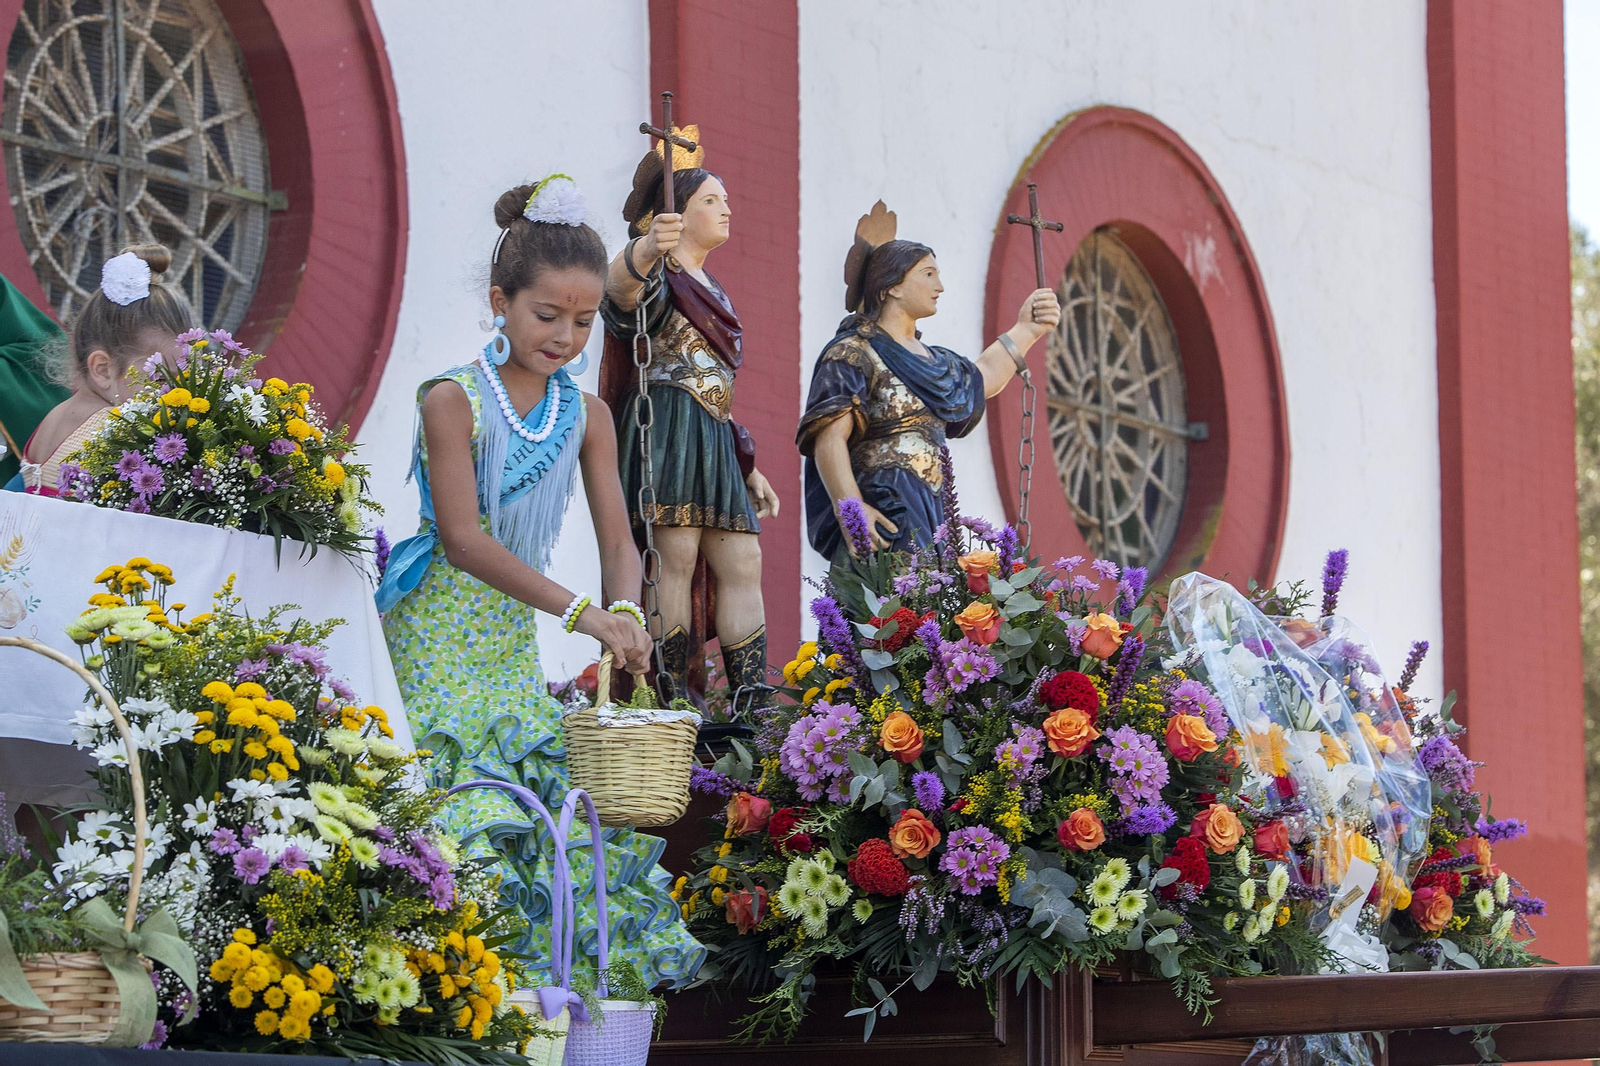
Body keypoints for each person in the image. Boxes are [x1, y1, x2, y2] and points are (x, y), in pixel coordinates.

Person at [375, 175, 703, 988]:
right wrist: (585, 615)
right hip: (433, 635)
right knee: (464, 823)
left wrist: (625, 615)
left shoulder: (587, 414)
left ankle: (530, 1016)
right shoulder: (452, 400)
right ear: (500, 301)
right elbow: (459, 540)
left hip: (508, 648)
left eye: (585, 322)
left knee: (551, 837)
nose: (565, 336)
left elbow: (620, 540)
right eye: (545, 316)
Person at [600, 131, 778, 710]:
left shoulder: (713, 286)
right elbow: (618, 295)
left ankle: (750, 694)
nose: (725, 209)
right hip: (669, 420)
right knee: (672, 558)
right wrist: (645, 250)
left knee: (742, 558)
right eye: (710, 200)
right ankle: (670, 690)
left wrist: (744, 461)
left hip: (712, 431)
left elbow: (718, 379)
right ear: (671, 215)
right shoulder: (657, 271)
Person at [798, 202, 1062, 560]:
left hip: (933, 501)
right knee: (887, 605)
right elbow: (829, 437)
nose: (940, 286)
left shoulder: (936, 360)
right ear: (892, 286)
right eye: (928, 274)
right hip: (884, 498)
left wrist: (1026, 330)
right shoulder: (853, 352)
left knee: (930, 602)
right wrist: (852, 510)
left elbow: (980, 377)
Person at [6, 245, 190, 495]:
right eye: (159, 378)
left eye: (185, 379)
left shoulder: (56, 415)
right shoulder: (111, 426)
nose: (173, 393)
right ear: (102, 369)